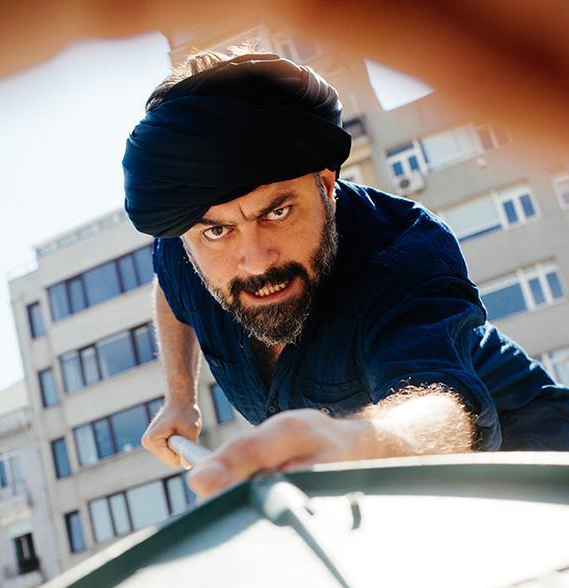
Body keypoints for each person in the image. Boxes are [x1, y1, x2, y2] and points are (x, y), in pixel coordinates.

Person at [122, 51, 569, 496]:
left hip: (534, 465)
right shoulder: (187, 241)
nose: (256, 261)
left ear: (326, 185)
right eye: (219, 231)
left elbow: (441, 404)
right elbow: (170, 285)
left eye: (278, 212)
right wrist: (180, 398)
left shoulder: (402, 257)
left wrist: (356, 444)